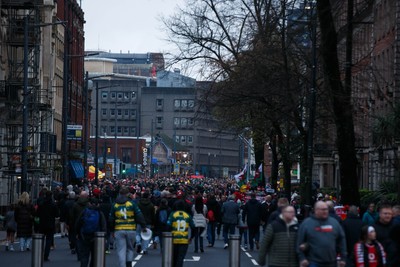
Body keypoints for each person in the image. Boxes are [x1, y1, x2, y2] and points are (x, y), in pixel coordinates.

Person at [297, 201, 347, 267]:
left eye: (326, 209)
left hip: (331, 262)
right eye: (323, 209)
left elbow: (342, 239)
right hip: (313, 262)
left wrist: (343, 258)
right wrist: (302, 258)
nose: (325, 211)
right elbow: (299, 242)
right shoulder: (306, 224)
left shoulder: (334, 222)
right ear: (316, 210)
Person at [109, 186, 147, 267]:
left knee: (121, 250)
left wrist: (112, 230)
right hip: (131, 229)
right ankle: (129, 264)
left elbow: (111, 218)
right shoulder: (131, 204)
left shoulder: (115, 205)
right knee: (130, 249)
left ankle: (122, 265)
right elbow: (139, 215)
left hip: (119, 229)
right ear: (127, 194)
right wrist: (143, 226)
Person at [75, 198, 107, 267]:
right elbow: (103, 226)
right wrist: (104, 237)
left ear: (89, 203)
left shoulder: (85, 211)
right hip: (96, 237)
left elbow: (78, 223)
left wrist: (78, 234)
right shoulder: (99, 213)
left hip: (84, 236)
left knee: (84, 256)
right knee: (94, 255)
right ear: (97, 204)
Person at [167, 199, 195, 267]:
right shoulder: (188, 216)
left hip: (174, 240)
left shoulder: (173, 214)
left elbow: (168, 226)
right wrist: (191, 237)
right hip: (184, 240)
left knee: (173, 258)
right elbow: (194, 228)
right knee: (180, 258)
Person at [36, 189, 59, 261]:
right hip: (50, 224)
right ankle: (46, 255)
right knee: (49, 240)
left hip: (42, 224)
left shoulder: (41, 204)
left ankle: (40, 253)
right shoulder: (53, 204)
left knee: (41, 239)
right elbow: (57, 214)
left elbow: (37, 213)